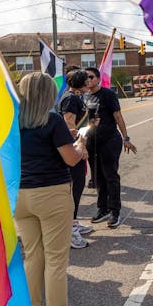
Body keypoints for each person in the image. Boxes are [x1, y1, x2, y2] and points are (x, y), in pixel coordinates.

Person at [14, 72, 93, 306]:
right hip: (51, 194)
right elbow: (71, 160)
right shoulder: (52, 120)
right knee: (56, 260)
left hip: (20, 196)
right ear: (48, 94)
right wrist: (80, 144)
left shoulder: (13, 122)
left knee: (33, 257)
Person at [83, 66, 137, 227]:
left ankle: (115, 211)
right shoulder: (83, 96)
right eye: (86, 77)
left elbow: (118, 116)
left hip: (109, 141)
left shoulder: (108, 95)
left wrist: (126, 137)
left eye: (91, 77)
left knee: (110, 177)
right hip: (91, 143)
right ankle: (103, 209)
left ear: (98, 79)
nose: (88, 80)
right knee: (98, 178)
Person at [59, 69, 92, 248]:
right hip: (74, 149)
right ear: (80, 82)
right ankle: (70, 229)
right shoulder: (71, 99)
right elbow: (69, 124)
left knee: (78, 187)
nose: (89, 83)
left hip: (78, 145)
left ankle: (74, 222)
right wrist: (82, 146)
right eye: (86, 80)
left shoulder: (75, 97)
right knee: (75, 187)